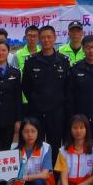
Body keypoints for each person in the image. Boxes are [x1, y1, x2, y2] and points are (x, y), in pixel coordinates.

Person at [21, 25, 70, 159]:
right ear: (39, 39)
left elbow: (67, 87)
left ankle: (53, 172)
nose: (46, 40)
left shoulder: (64, 61)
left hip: (57, 113)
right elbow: (26, 86)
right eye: (43, 37)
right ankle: (37, 172)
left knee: (55, 146)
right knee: (36, 146)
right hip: (37, 112)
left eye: (49, 37)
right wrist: (36, 101)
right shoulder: (31, 61)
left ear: (55, 38)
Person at [7, 117, 56, 185]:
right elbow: (9, 173)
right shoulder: (14, 149)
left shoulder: (46, 148)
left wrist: (27, 177)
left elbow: (45, 174)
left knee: (39, 183)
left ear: (38, 132)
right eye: (26, 131)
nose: (29, 135)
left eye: (33, 131)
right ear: (21, 133)